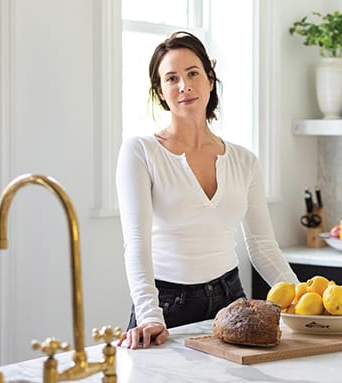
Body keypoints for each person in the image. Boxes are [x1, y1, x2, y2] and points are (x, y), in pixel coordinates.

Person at [115, 31, 300, 349]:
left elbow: (262, 246)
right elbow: (136, 241)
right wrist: (149, 314)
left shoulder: (245, 160)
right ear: (160, 92)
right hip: (166, 305)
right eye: (171, 78)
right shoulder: (140, 151)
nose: (184, 85)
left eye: (192, 73)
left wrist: (312, 305)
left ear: (210, 79)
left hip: (232, 303)